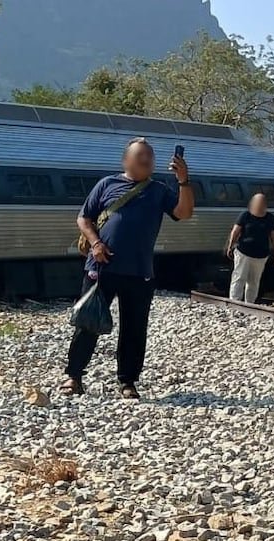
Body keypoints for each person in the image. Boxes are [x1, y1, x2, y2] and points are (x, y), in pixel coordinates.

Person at [62, 138, 194, 399]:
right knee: (88, 322)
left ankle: (128, 381)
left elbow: (184, 212)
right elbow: (84, 217)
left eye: (150, 155)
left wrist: (183, 181)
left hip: (139, 271)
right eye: (141, 154)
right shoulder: (107, 184)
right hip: (101, 267)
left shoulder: (159, 190)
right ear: (126, 160)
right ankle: (73, 376)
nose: (147, 159)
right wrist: (95, 243)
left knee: (134, 328)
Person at [225, 193, 274, 303]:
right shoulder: (245, 215)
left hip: (261, 255)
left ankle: (250, 303)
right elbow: (235, 232)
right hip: (243, 252)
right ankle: (234, 301)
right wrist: (230, 246)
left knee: (254, 281)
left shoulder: (270, 218)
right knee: (239, 277)